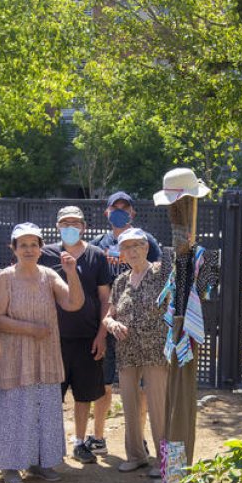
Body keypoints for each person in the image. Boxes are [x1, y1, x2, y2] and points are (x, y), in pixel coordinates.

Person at [0, 223, 83, 483]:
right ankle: (9, 467)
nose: (29, 249)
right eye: (23, 245)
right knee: (13, 411)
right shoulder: (6, 277)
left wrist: (72, 272)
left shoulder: (48, 276)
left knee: (43, 409)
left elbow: (74, 303)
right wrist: (30, 329)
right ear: (13, 248)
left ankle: (40, 463)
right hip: (14, 357)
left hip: (45, 355)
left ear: (41, 249)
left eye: (33, 244)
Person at [155, 168, 220, 474]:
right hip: (176, 332)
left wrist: (190, 260)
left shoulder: (205, 256)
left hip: (187, 334)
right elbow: (172, 297)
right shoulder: (170, 254)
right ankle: (174, 473)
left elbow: (205, 294)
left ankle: (177, 475)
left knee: (180, 404)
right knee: (174, 403)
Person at [39, 206, 113, 464]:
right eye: (64, 223)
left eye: (75, 223)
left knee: (84, 395)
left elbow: (106, 299)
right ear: (58, 226)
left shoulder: (97, 257)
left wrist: (101, 334)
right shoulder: (46, 254)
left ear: (83, 226)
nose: (70, 227)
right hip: (52, 339)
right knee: (51, 395)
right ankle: (49, 445)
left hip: (87, 338)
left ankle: (80, 442)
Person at [90, 191, 162, 452]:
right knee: (107, 385)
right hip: (112, 329)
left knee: (149, 394)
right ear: (107, 212)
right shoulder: (99, 245)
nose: (132, 252)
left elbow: (166, 278)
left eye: (125, 207)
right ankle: (100, 438)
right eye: (115, 207)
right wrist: (104, 326)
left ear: (133, 212)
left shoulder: (149, 241)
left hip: (149, 338)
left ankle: (143, 443)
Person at [102, 228, 171, 476]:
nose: (131, 252)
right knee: (130, 405)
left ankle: (165, 463)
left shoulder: (162, 273)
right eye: (126, 248)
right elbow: (109, 315)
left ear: (146, 247)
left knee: (158, 406)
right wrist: (111, 324)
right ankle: (136, 455)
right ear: (120, 254)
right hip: (127, 350)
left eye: (136, 246)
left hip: (155, 349)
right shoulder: (121, 282)